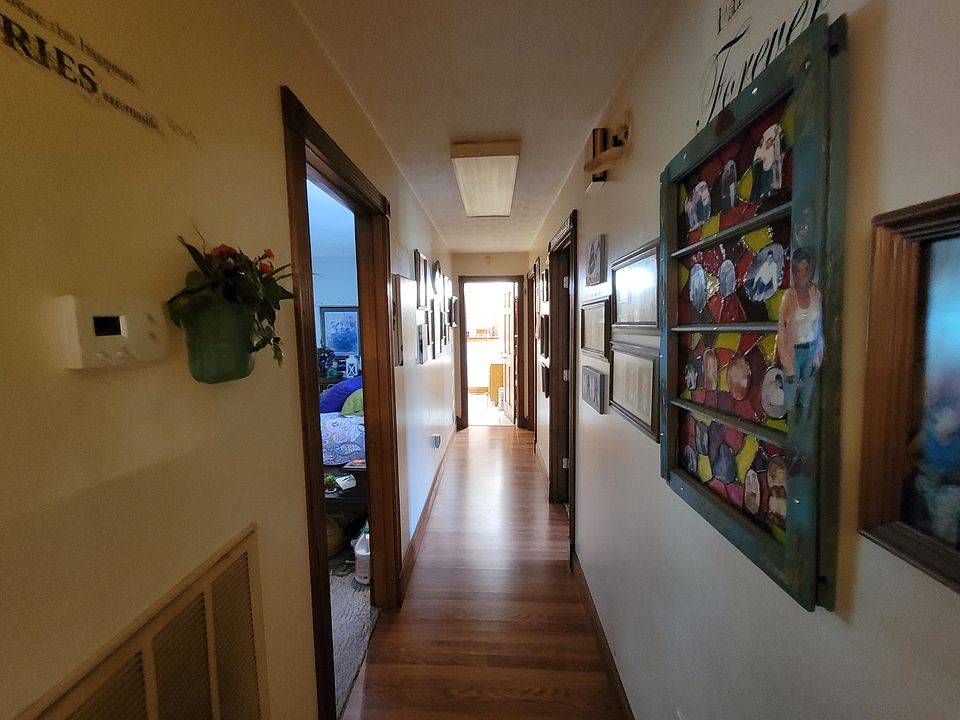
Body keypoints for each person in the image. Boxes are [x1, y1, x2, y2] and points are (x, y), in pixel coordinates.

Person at [777, 249, 823, 416]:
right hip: (794, 351)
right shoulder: (789, 297)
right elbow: (782, 331)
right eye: (799, 270)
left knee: (807, 395)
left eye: (806, 269)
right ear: (794, 272)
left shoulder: (816, 295)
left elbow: (819, 327)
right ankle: (792, 424)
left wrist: (818, 356)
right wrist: (787, 364)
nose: (803, 274)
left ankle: (804, 423)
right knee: (791, 395)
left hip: (811, 349)